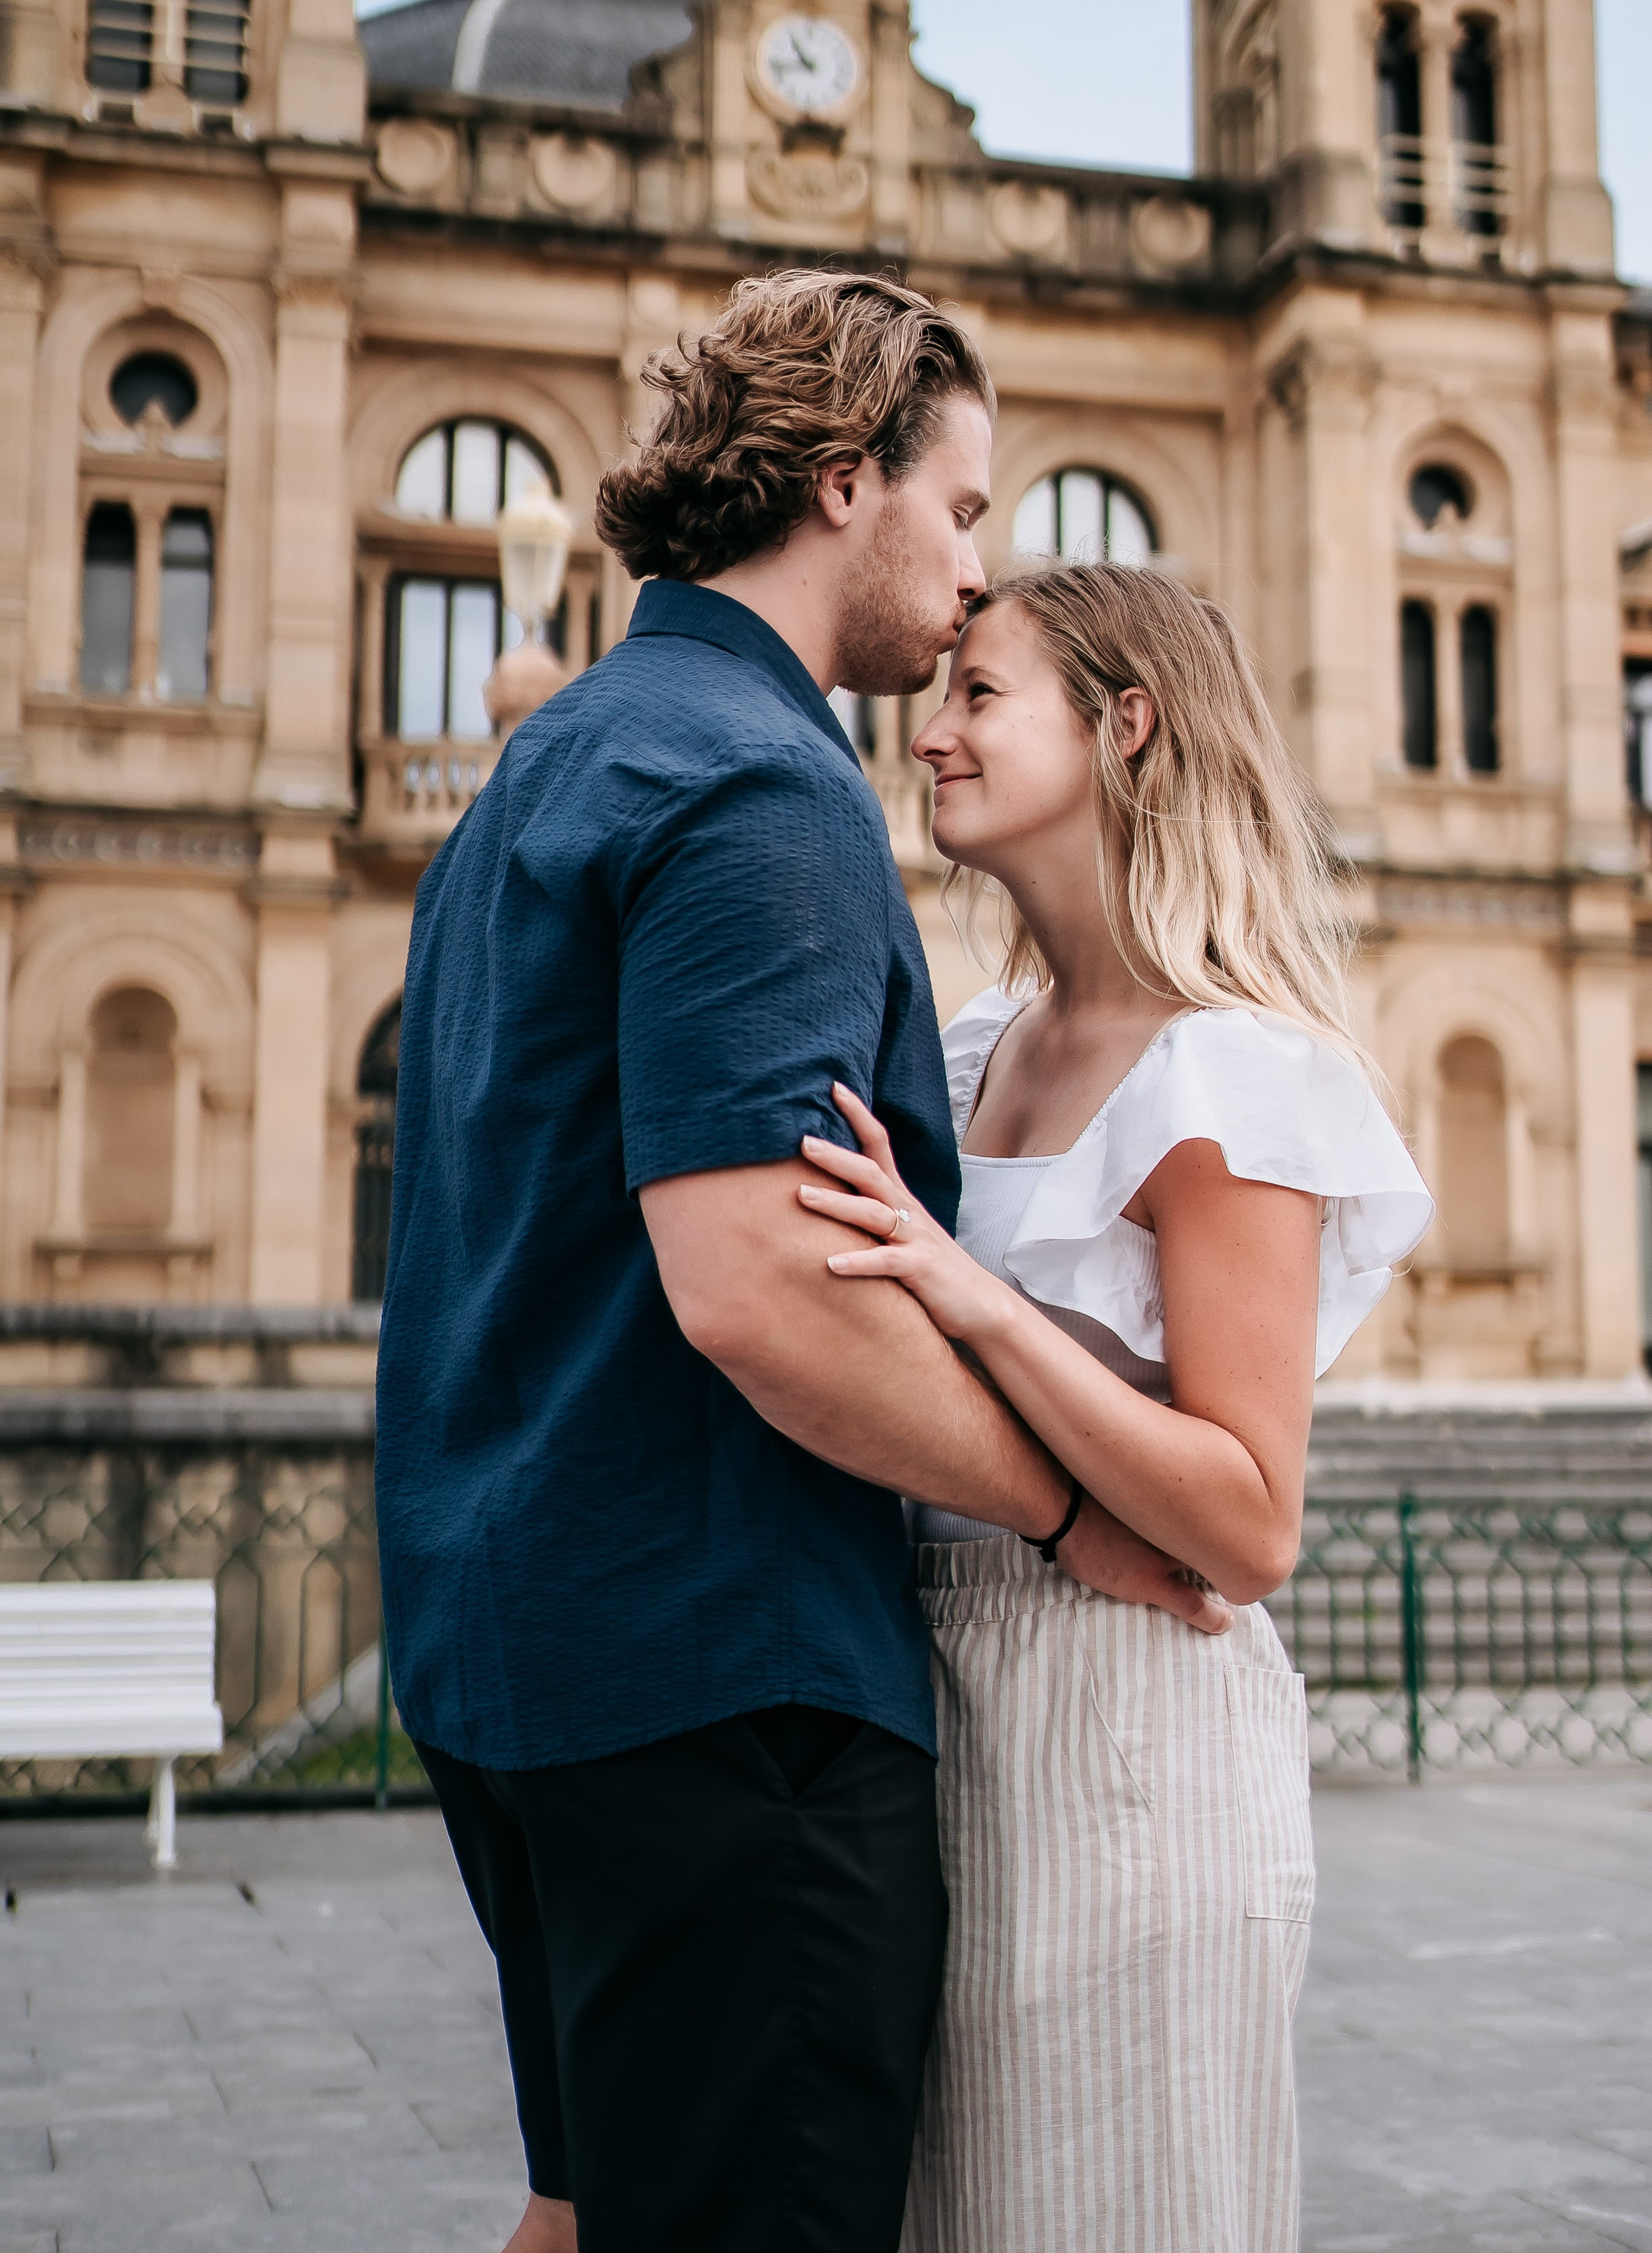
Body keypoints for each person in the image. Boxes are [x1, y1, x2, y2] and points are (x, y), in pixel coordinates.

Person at [374, 271, 1224, 2253]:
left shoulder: (546, 770)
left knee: (584, 2213)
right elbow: (754, 1287)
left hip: (515, 1656)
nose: (977, 565)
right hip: (722, 1682)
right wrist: (1063, 1506)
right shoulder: (762, 787)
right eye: (968, 507)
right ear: (847, 482)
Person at [789, 562, 1432, 2253]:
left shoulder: (1228, 1070)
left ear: (1123, 721)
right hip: (935, 1702)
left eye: (979, 694)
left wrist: (967, 1293)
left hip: (1126, 1717)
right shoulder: (975, 1041)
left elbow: (1244, 1514)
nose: (930, 737)